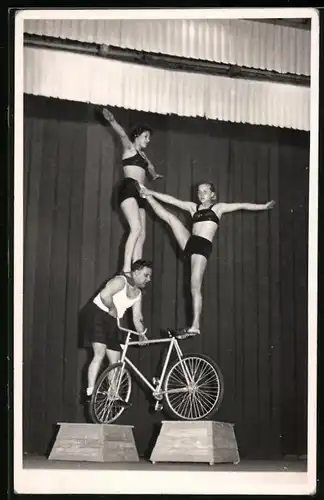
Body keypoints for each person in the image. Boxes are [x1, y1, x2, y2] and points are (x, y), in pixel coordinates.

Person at [139, 182, 275, 338]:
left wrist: (263, 207)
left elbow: (241, 205)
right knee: (170, 218)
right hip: (190, 242)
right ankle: (147, 196)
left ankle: (195, 325)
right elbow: (172, 200)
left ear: (212, 194)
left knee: (194, 285)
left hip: (202, 247)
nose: (201, 194)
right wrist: (151, 192)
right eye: (199, 191)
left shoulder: (218, 208)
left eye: (205, 191)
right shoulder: (193, 207)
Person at [102, 107, 163, 275]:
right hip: (129, 188)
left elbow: (150, 167)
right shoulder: (129, 148)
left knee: (142, 233)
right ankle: (127, 269)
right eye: (146, 136)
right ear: (137, 135)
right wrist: (112, 121)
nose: (148, 140)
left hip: (141, 192)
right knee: (135, 228)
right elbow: (121, 134)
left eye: (149, 137)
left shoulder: (143, 156)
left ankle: (137, 266)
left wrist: (154, 174)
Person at [83, 259, 152, 405]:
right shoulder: (121, 281)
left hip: (113, 321)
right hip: (98, 314)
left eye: (150, 277)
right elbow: (104, 295)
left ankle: (113, 395)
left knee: (115, 361)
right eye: (146, 275)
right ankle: (90, 392)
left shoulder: (138, 294)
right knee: (99, 353)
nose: (148, 279)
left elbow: (137, 316)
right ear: (136, 272)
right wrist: (112, 308)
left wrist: (141, 333)